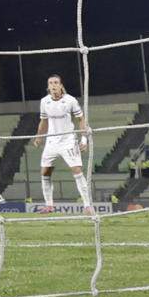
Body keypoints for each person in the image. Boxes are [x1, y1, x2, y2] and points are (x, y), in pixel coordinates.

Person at [32, 75, 94, 215]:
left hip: (68, 141)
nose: (53, 85)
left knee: (77, 171)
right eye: (50, 83)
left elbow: (81, 119)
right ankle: (49, 205)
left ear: (60, 85)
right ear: (48, 86)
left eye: (55, 83)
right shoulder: (44, 102)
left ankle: (87, 205)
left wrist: (84, 139)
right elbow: (43, 121)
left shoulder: (70, 100)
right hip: (51, 142)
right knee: (45, 173)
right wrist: (39, 137)